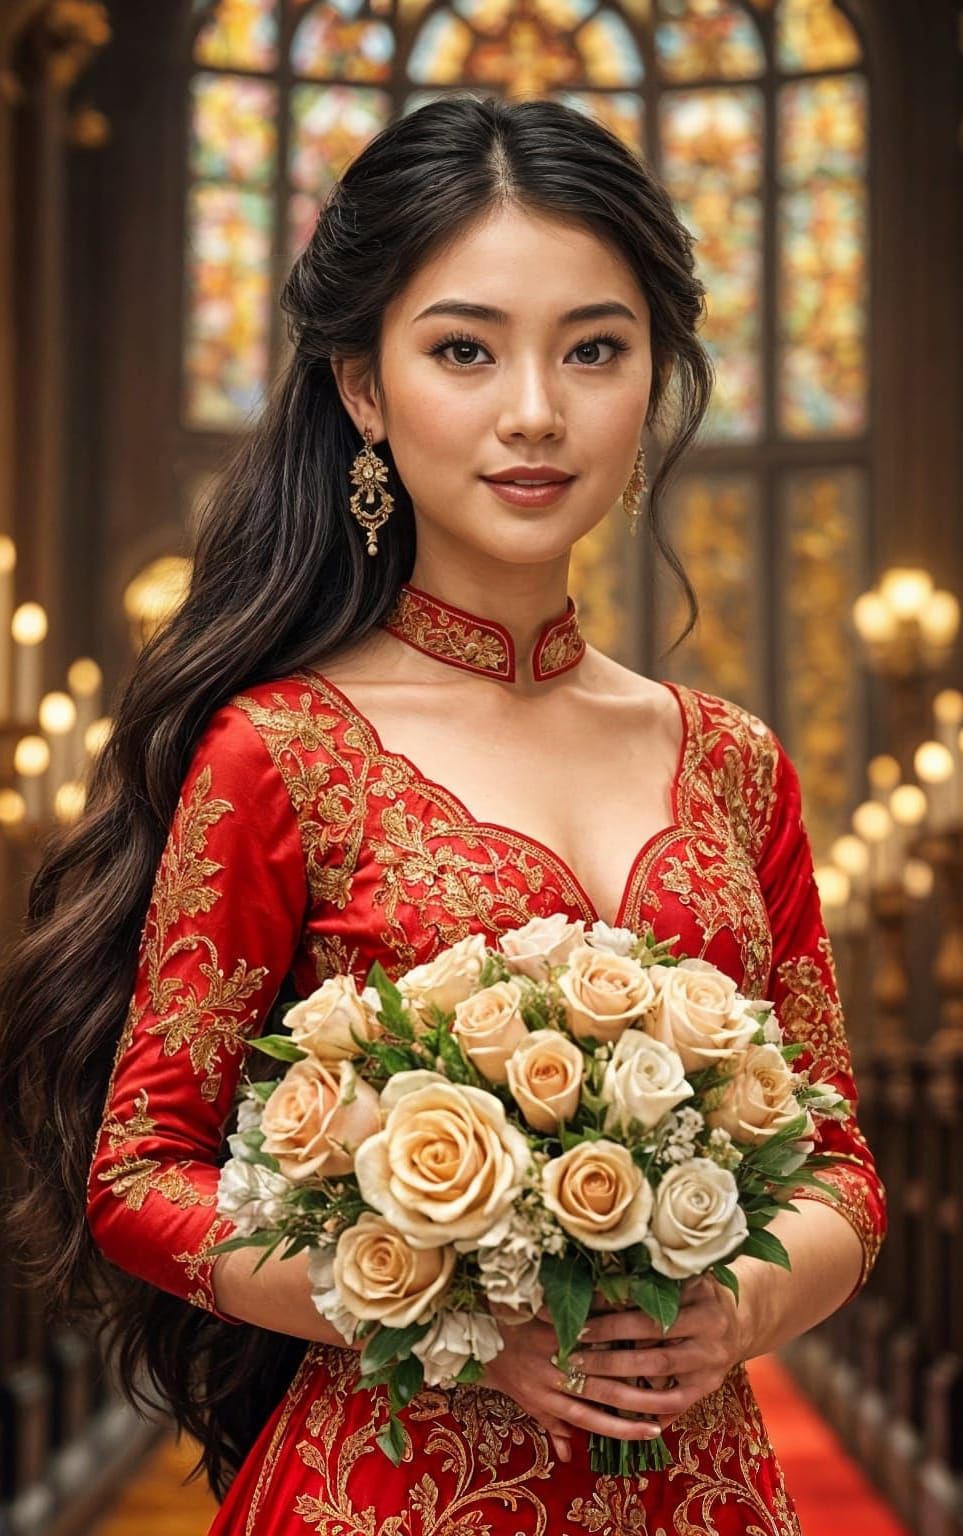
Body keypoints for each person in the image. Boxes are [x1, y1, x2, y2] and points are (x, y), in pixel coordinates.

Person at [0, 94, 886, 1534]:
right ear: (363, 385)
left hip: (700, 1491)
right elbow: (139, 1178)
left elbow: (843, 1171)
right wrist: (445, 1302)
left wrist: (738, 1303)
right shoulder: (277, 752)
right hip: (389, 1493)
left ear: (654, 380)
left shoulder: (734, 764)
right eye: (464, 349)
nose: (534, 411)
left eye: (593, 350)